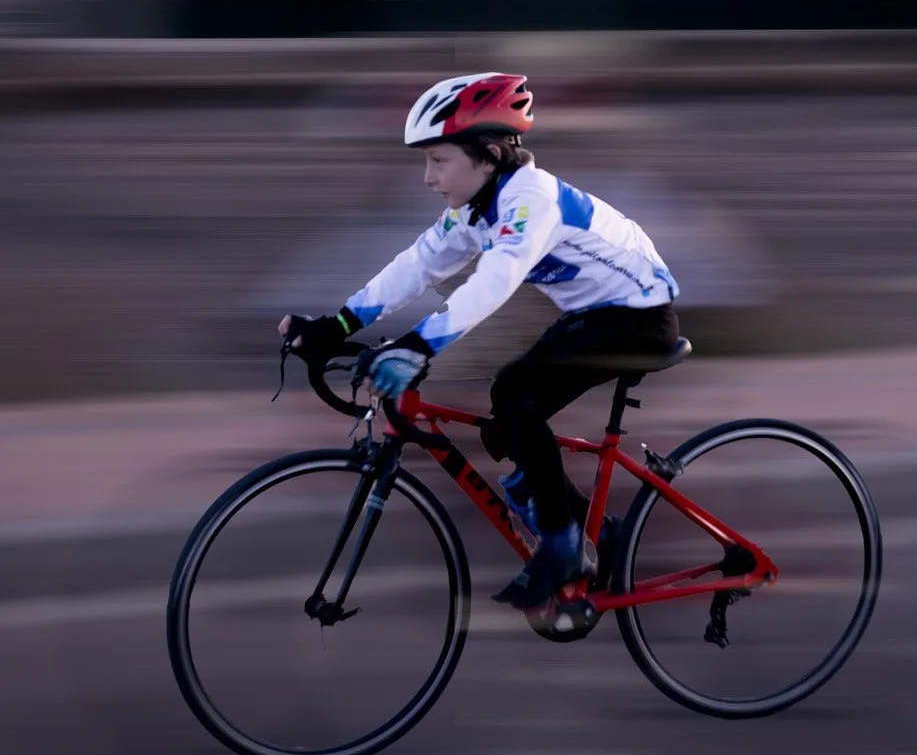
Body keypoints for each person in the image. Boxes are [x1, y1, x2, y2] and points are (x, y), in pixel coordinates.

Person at [280, 72, 681, 609]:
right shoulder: (477, 209)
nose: (428, 177)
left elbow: (495, 280)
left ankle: (564, 546)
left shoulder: (530, 199)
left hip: (639, 318)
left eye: (439, 160)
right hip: (594, 313)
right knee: (508, 417)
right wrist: (336, 327)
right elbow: (418, 265)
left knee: (516, 399)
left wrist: (419, 347)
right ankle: (601, 539)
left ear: (489, 155)